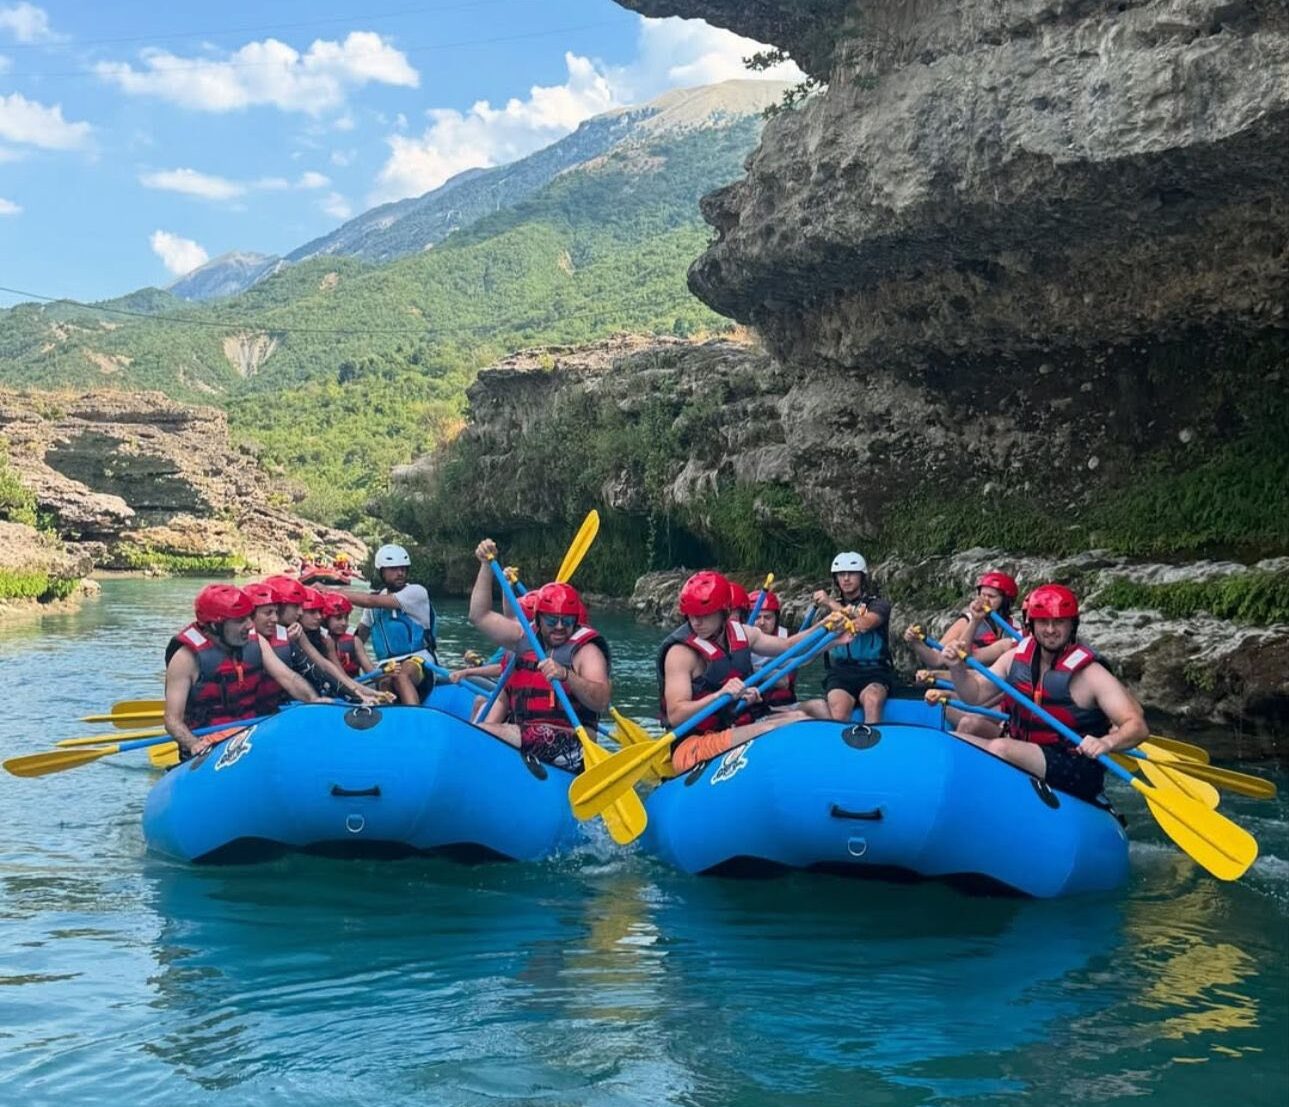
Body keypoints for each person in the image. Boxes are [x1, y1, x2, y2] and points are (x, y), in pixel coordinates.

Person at [940, 583, 1147, 801]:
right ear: (1032, 624)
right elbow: (973, 695)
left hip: (1074, 765)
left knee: (1001, 748)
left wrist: (1106, 743)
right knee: (953, 740)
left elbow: (1137, 726)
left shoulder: (1091, 674)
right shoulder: (1015, 658)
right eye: (1043, 622)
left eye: (1059, 622)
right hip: (1023, 746)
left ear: (1072, 625)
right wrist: (956, 667)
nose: (1050, 630)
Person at [661, 571, 832, 773]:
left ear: (723, 612)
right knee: (774, 732)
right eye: (691, 615)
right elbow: (675, 715)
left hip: (732, 726)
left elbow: (788, 646)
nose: (696, 622)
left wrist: (827, 629)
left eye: (704, 615)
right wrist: (719, 695)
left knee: (804, 722)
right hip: (693, 743)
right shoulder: (680, 654)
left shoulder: (742, 633)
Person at [468, 539, 610, 770]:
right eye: (552, 621)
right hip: (527, 730)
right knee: (476, 727)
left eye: (568, 621)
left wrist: (566, 675)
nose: (560, 627)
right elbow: (479, 616)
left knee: (484, 733)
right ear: (539, 618)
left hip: (573, 742)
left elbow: (601, 699)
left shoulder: (587, 651)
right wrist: (485, 565)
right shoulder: (523, 636)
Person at [163, 584, 321, 759]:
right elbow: (172, 720)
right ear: (215, 626)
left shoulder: (256, 642)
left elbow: (289, 678)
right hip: (207, 744)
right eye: (240, 621)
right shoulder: (185, 658)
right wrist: (194, 744)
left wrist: (315, 700)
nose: (249, 625)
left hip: (248, 735)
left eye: (248, 618)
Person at [261, 576, 384, 707]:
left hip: (293, 700)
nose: (300, 612)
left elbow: (323, 665)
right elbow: (288, 676)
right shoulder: (258, 639)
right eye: (297, 606)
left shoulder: (298, 631)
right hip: (271, 707)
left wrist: (360, 693)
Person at [349, 543, 438, 703]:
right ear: (382, 572)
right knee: (385, 681)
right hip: (386, 665)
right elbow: (358, 639)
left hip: (419, 661)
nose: (400, 573)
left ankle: (415, 717)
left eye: (403, 569)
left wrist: (329, 591)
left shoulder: (416, 593)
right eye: (394, 569)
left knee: (401, 675)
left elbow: (370, 600)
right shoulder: (373, 606)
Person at [812, 551, 894, 723]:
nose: (846, 579)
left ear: (861, 577)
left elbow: (863, 624)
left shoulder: (878, 604)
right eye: (841, 574)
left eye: (851, 574)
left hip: (874, 671)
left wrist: (830, 603)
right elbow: (813, 641)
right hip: (841, 672)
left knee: (872, 700)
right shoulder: (826, 611)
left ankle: (874, 744)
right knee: (838, 708)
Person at [905, 570, 1019, 672]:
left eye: (991, 596)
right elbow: (936, 659)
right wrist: (917, 643)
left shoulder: (1015, 626)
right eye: (982, 595)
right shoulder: (967, 620)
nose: (985, 600)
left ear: (1005, 601)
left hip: (999, 684)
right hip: (968, 682)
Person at [748, 588, 830, 717]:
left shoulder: (787, 637)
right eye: (757, 617)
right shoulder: (742, 644)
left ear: (776, 618)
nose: (762, 622)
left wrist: (833, 640)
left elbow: (805, 657)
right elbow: (782, 681)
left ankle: (831, 736)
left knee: (819, 705)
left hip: (786, 703)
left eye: (768, 617)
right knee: (798, 715)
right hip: (759, 710)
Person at [322, 591, 374, 679]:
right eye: (338, 618)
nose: (344, 623)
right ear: (326, 618)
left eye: (346, 618)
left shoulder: (355, 641)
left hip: (355, 681)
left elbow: (370, 670)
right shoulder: (319, 640)